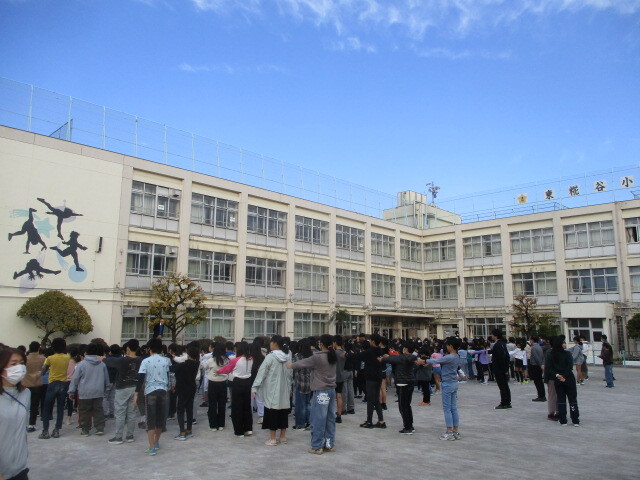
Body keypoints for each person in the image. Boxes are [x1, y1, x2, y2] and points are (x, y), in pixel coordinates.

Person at [288, 334, 337, 454]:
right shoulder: (333, 355)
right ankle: (329, 444)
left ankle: (317, 446)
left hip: (321, 391)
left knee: (318, 419)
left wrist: (291, 365)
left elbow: (303, 363)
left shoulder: (318, 357)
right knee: (330, 418)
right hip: (331, 390)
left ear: (321, 344)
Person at [416, 337, 463, 440]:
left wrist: (423, 361)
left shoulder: (449, 357)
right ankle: (455, 431)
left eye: (447, 345)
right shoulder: (456, 356)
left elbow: (436, 360)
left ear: (451, 346)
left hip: (447, 384)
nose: (446, 347)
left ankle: (449, 432)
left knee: (447, 409)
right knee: (453, 408)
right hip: (454, 383)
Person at [251, 335, 293, 446]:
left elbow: (262, 372)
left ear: (275, 343)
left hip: (272, 389)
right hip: (284, 389)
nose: (270, 344)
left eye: (271, 342)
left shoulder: (271, 356)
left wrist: (255, 387)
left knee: (272, 412)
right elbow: (290, 374)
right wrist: (290, 387)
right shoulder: (287, 356)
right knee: (283, 412)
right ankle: (282, 437)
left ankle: (273, 439)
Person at [134, 337, 171, 456]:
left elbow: (140, 379)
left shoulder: (146, 361)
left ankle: (151, 447)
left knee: (150, 419)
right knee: (160, 419)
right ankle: (156, 442)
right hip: (163, 391)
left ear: (149, 348)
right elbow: (169, 375)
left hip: (150, 391)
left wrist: (136, 394)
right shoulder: (166, 360)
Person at [1, 347, 31, 480]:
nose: (19, 367)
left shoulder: (26, 393)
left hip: (20, 469)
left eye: (22, 363)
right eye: (13, 364)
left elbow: (22, 429)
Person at [67, 342, 109, 436]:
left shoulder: (82, 364)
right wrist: (106, 389)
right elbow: (106, 379)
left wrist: (71, 391)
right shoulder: (102, 364)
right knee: (98, 410)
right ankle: (100, 428)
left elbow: (75, 379)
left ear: (85, 352)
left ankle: (85, 429)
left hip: (85, 392)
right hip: (98, 391)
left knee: (85, 411)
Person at [105, 339, 142, 445]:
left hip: (122, 388)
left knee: (120, 412)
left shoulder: (122, 360)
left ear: (128, 348)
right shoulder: (140, 360)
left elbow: (108, 361)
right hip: (135, 388)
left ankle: (118, 436)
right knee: (132, 412)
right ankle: (130, 435)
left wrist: (101, 358)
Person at [380, 341, 417, 434]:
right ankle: (410, 425)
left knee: (403, 406)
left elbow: (391, 359)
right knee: (407, 405)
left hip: (402, 383)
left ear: (406, 349)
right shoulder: (412, 357)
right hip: (410, 382)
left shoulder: (402, 358)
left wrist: (383, 358)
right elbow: (393, 358)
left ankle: (407, 427)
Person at [219, 342, 253, 438]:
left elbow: (227, 369)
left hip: (238, 382)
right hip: (248, 382)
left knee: (237, 407)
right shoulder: (251, 359)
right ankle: (248, 428)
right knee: (247, 406)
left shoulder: (235, 360)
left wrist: (218, 371)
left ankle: (239, 431)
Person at [39, 337, 70, 439]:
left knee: (47, 408)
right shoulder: (67, 357)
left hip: (52, 384)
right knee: (60, 408)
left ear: (53, 347)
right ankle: (56, 430)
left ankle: (45, 431)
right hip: (64, 384)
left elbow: (43, 372)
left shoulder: (50, 358)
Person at [352, 333, 386, 429]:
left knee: (370, 400)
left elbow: (358, 356)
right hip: (378, 377)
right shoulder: (380, 350)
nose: (369, 342)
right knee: (376, 400)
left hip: (371, 378)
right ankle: (381, 421)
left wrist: (349, 354)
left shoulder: (370, 351)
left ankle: (369, 421)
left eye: (370, 340)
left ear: (373, 342)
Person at [546, 337, 580, 426]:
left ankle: (563, 419)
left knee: (561, 399)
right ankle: (575, 420)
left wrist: (557, 375)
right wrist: (564, 376)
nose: (565, 344)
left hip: (557, 379)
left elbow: (549, 368)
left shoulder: (550, 355)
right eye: (563, 343)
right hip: (568, 378)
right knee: (572, 399)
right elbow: (570, 366)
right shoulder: (567, 354)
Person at [171, 346, 200, 440]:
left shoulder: (183, 365)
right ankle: (189, 430)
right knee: (189, 408)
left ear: (188, 354)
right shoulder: (196, 363)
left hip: (182, 388)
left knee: (180, 410)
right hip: (192, 387)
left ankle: (182, 432)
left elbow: (171, 368)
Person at [204, 342, 229, 431]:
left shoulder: (211, 360)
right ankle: (221, 424)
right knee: (222, 404)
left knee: (212, 404)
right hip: (223, 383)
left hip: (213, 383)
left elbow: (205, 368)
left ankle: (213, 425)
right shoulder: (227, 360)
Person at [23, 341, 44, 433]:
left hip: (25, 383)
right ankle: (31, 424)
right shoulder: (42, 358)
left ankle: (23, 423)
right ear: (38, 348)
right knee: (34, 405)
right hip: (37, 383)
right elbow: (44, 369)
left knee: (24, 404)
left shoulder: (25, 359)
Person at [292, 338, 312, 430]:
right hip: (309, 383)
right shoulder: (312, 356)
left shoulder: (298, 357)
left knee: (300, 405)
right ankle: (309, 421)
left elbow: (294, 367)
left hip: (300, 383)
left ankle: (300, 424)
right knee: (308, 403)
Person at [490, 330, 511, 409]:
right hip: (503, 368)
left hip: (499, 369)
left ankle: (504, 403)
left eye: (492, 335)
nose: (492, 336)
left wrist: (504, 369)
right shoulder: (503, 344)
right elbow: (507, 356)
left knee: (502, 386)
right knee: (505, 385)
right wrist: (506, 368)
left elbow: (500, 358)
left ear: (495, 336)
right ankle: (508, 402)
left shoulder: (497, 345)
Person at [332, 335, 346, 424]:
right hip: (341, 376)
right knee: (339, 395)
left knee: (331, 397)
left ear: (335, 342)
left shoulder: (334, 353)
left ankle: (330, 414)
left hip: (333, 377)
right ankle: (339, 415)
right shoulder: (344, 353)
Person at [528, 336, 546, 401]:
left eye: (530, 339)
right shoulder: (539, 347)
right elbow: (543, 356)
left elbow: (536, 357)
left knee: (537, 381)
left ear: (532, 340)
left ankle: (540, 396)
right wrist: (542, 364)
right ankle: (542, 395)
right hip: (539, 365)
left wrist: (540, 364)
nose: (529, 341)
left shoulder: (533, 348)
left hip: (535, 365)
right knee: (540, 381)